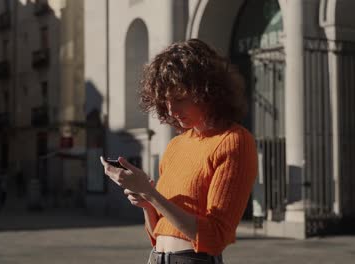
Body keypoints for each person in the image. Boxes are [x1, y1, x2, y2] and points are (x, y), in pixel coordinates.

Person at [100, 39, 258, 264]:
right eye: (165, 102)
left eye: (180, 99)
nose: (172, 110)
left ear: (209, 91)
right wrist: (147, 202)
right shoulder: (176, 146)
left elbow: (214, 238)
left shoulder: (234, 141)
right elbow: (157, 234)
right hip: (156, 258)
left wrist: (152, 194)